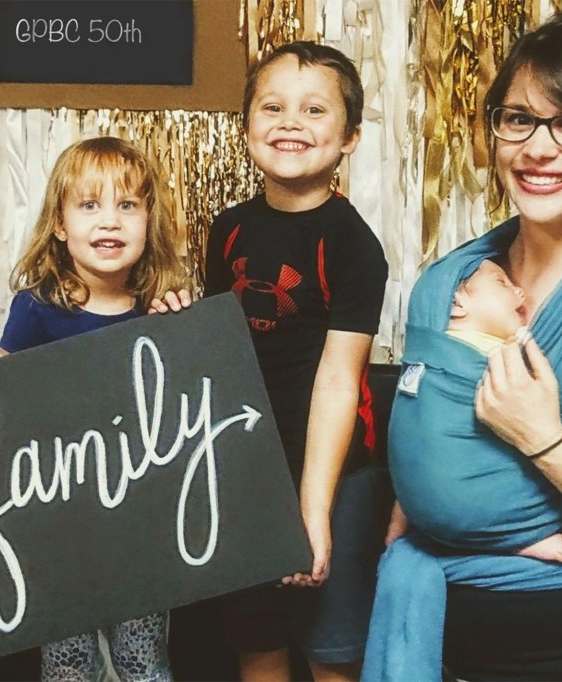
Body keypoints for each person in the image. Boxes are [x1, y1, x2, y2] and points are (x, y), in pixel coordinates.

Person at [363, 12, 562, 681]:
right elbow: (432, 416)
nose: (537, 148)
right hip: (442, 642)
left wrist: (545, 441)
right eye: (518, 118)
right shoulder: (457, 279)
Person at [157, 41, 389, 682]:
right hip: (246, 465)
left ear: (350, 137)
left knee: (330, 648)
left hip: (335, 472)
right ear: (247, 124)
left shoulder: (354, 245)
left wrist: (314, 510)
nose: (291, 123)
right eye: (273, 107)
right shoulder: (228, 228)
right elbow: (218, 352)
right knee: (255, 636)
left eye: (314, 110)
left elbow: (339, 381)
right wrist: (176, 323)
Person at [0, 136, 185, 682]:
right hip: (60, 531)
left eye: (127, 205)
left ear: (148, 221)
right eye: (89, 204)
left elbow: (180, 415)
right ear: (60, 224)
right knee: (68, 665)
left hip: (139, 532)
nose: (109, 221)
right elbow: (2, 404)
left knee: (143, 662)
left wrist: (180, 333)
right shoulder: (36, 309)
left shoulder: (160, 312)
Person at [449, 259, 562, 563]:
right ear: (458, 305)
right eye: (501, 283)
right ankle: (515, 537)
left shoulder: (496, 347)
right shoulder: (451, 348)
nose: (519, 291)